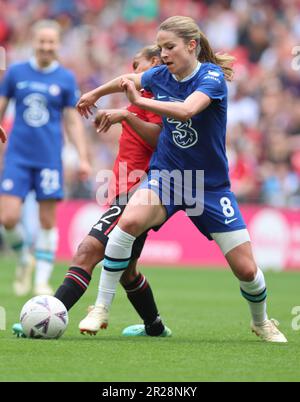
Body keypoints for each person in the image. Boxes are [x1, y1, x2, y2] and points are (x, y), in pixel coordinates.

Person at [76, 16, 287, 343]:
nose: (163, 54)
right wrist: (94, 94)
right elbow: (126, 79)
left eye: (170, 47)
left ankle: (261, 322)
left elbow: (187, 110)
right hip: (168, 178)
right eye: (160, 48)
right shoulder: (160, 74)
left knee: (247, 270)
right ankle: (101, 307)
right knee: (128, 223)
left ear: (192, 46)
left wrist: (137, 103)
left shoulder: (212, 77)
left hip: (210, 187)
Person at [14, 44, 170, 338]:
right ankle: (155, 326)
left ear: (153, 63)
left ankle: (45, 318)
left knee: (87, 251)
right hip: (128, 190)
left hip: (140, 192)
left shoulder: (159, 98)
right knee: (127, 271)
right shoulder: (140, 100)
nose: (131, 74)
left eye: (135, 66)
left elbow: (160, 141)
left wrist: (125, 116)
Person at [0, 19, 91, 297]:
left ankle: (41, 279)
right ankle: (24, 260)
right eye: (42, 41)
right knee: (8, 218)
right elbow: (2, 106)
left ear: (58, 45)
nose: (46, 46)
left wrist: (83, 157)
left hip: (49, 158)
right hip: (17, 156)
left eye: (51, 42)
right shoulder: (16, 72)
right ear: (34, 42)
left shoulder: (64, 78)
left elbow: (72, 120)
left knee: (47, 220)